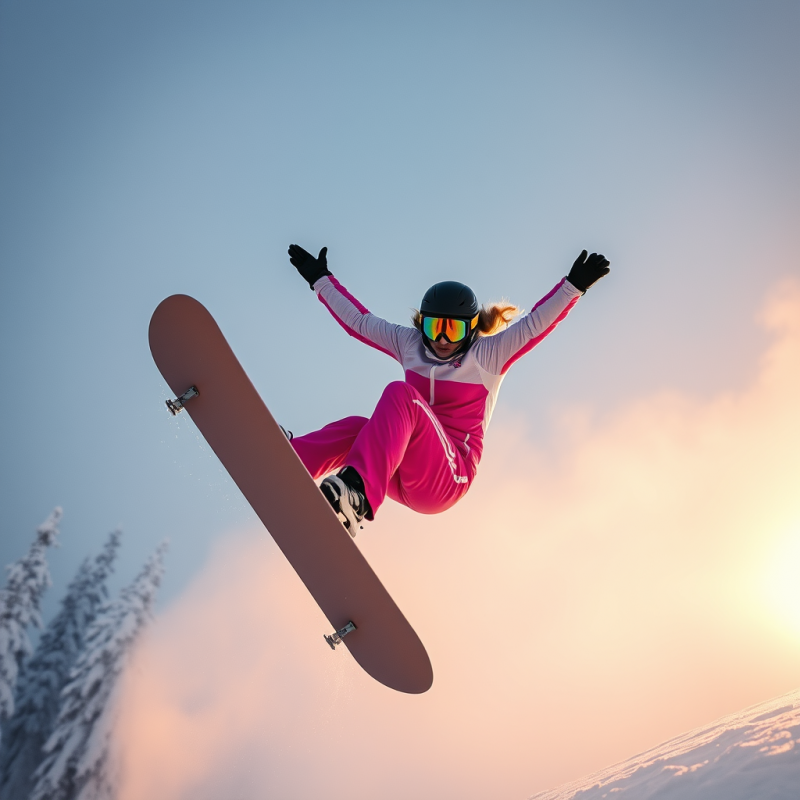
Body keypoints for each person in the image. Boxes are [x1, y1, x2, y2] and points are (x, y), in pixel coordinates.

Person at [286, 244, 610, 534]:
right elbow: (359, 322)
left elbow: (535, 325)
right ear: (421, 324)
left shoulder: (486, 356)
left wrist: (573, 286)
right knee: (361, 428)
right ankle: (293, 459)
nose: (442, 339)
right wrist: (321, 279)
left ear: (470, 329)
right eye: (433, 326)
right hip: (401, 470)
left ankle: (356, 497)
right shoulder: (408, 343)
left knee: (402, 396)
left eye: (452, 329)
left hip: (448, 477)